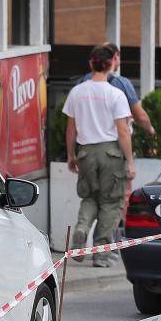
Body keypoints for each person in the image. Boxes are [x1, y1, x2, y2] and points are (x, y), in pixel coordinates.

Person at [64, 45, 135, 267]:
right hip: (111, 154)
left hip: (86, 153)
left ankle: (81, 229)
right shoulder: (116, 94)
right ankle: (101, 254)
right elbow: (123, 131)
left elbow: (70, 129)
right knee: (111, 203)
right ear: (111, 64)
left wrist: (71, 155)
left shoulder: (77, 92)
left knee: (89, 198)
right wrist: (130, 161)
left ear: (90, 64)